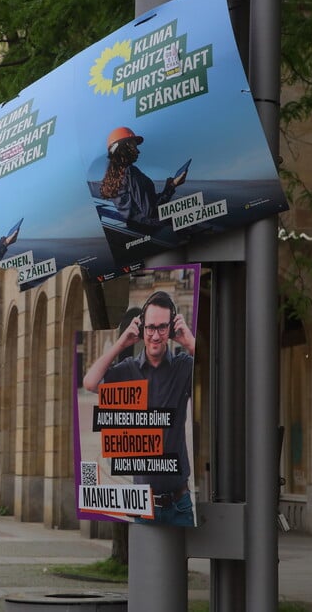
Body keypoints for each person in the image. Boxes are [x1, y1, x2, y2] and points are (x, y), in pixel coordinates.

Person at [83, 290, 196, 527]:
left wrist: (189, 341)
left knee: (178, 565)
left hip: (180, 504)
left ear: (171, 329)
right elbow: (90, 382)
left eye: (162, 328)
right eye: (151, 328)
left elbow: (219, 370)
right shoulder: (126, 370)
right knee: (145, 565)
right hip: (143, 505)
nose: (156, 335)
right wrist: (120, 343)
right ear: (142, 328)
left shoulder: (184, 366)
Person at [98, 126, 187, 231]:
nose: (138, 151)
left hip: (135, 227)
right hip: (149, 227)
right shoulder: (130, 172)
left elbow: (141, 205)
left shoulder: (113, 177)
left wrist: (169, 187)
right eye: (135, 147)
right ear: (125, 147)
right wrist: (171, 186)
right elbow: (150, 212)